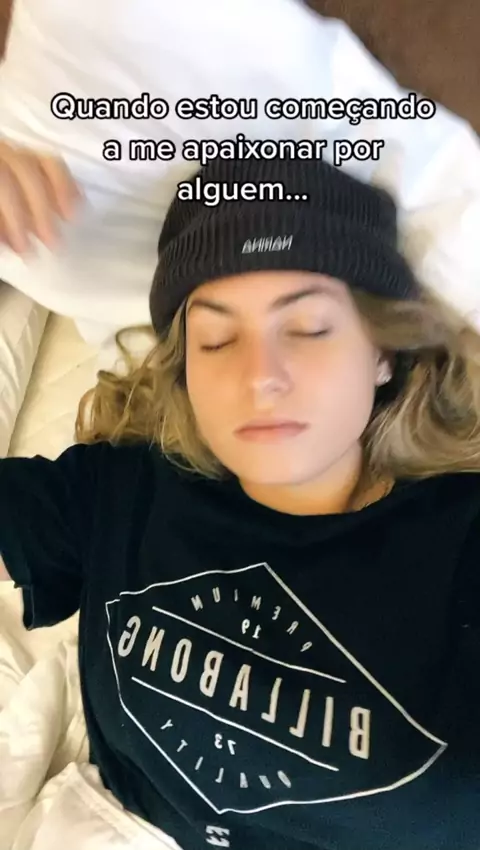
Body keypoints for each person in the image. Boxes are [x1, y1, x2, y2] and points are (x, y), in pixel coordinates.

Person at [1, 156, 480, 850]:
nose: (260, 378)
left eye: (308, 327)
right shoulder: (124, 488)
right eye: (217, 339)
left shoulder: (461, 543)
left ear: (384, 353)